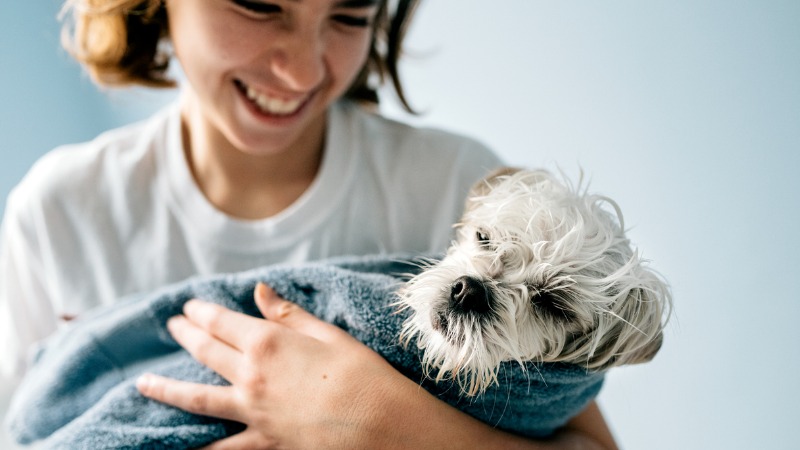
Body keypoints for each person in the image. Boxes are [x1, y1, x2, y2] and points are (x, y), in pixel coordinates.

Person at [0, 0, 618, 448]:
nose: (301, 71)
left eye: (349, 16)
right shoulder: (60, 211)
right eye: (259, 5)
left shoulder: (460, 188)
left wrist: (382, 424)